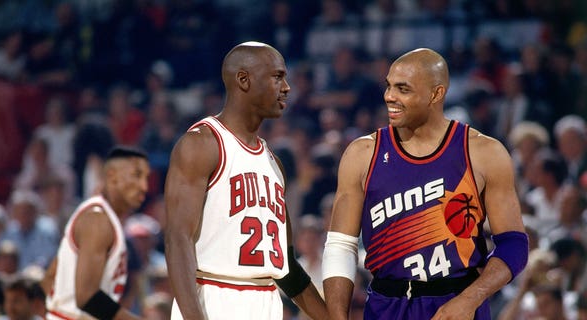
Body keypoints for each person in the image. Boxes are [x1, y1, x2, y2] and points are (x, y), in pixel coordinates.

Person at [322, 48, 528, 320]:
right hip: (386, 306)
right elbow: (341, 245)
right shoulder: (362, 154)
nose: (389, 97)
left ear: (436, 94)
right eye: (389, 86)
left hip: (457, 302)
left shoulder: (483, 152)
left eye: (402, 89)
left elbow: (514, 244)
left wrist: (471, 298)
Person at [164, 41, 328, 320]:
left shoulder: (274, 163)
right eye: (277, 77)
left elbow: (286, 267)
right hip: (214, 296)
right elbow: (177, 238)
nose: (287, 87)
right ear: (244, 79)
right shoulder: (202, 143)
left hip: (266, 300)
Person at [41, 146, 150, 320]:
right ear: (112, 176)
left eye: (146, 178)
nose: (144, 187)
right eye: (137, 175)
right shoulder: (97, 221)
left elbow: (49, 278)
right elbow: (87, 298)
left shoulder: (102, 217)